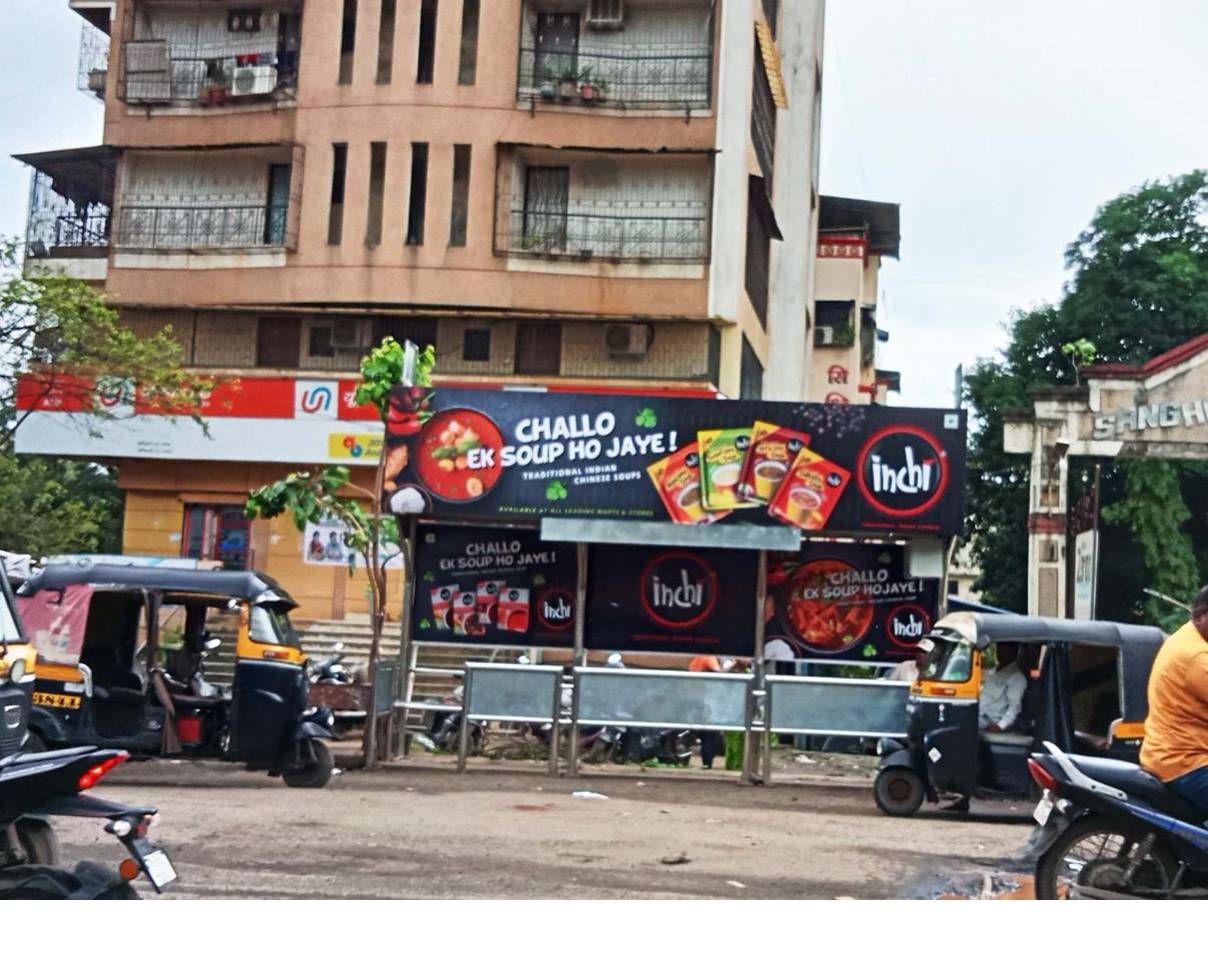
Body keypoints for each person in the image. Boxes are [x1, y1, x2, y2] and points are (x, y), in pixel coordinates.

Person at [1140, 586, 1208, 812]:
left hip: (1164, 754)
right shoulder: (1198, 657)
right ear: (1200, 616)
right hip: (1188, 764)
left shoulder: (1185, 637)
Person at [688, 655, 729, 769]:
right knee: (710, 735)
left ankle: (706, 761)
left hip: (697, 697)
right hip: (707, 699)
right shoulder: (709, 658)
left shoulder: (696, 659)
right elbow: (718, 673)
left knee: (705, 734)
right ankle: (707, 763)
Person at [979, 642, 1026, 733]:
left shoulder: (1016, 676)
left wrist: (1000, 726)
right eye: (999, 648)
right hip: (979, 714)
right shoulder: (995, 671)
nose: (1000, 652)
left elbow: (1015, 706)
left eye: (1005, 649)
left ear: (1014, 652)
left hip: (989, 720)